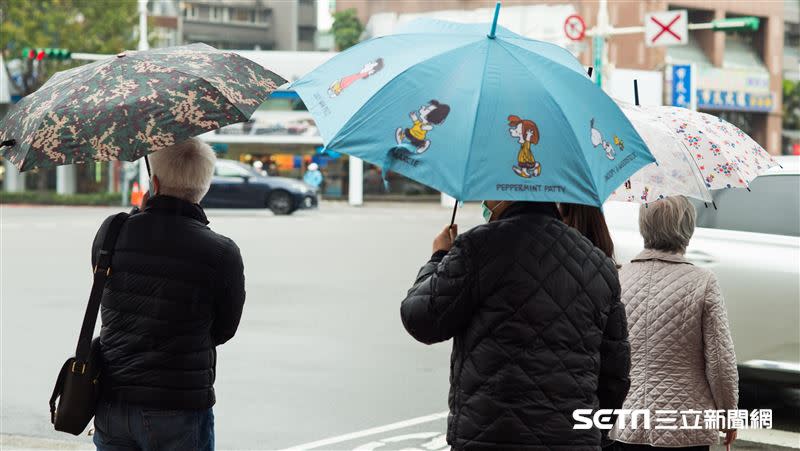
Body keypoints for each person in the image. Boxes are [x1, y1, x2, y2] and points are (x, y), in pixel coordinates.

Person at [400, 200, 631, 450]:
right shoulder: (598, 264)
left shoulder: (478, 247)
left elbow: (422, 320)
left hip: (489, 437)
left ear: (506, 191)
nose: (486, 201)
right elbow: (614, 375)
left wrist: (438, 258)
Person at [92, 138, 246, 451]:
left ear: (155, 182)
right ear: (204, 187)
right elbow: (224, 329)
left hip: (112, 400)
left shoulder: (113, 230)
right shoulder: (221, 251)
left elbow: (112, 293)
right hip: (180, 404)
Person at [609, 196, 738, 451]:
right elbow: (720, 358)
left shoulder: (619, 278)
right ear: (688, 229)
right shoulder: (702, 282)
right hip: (685, 426)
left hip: (625, 421)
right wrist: (727, 415)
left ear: (644, 227)